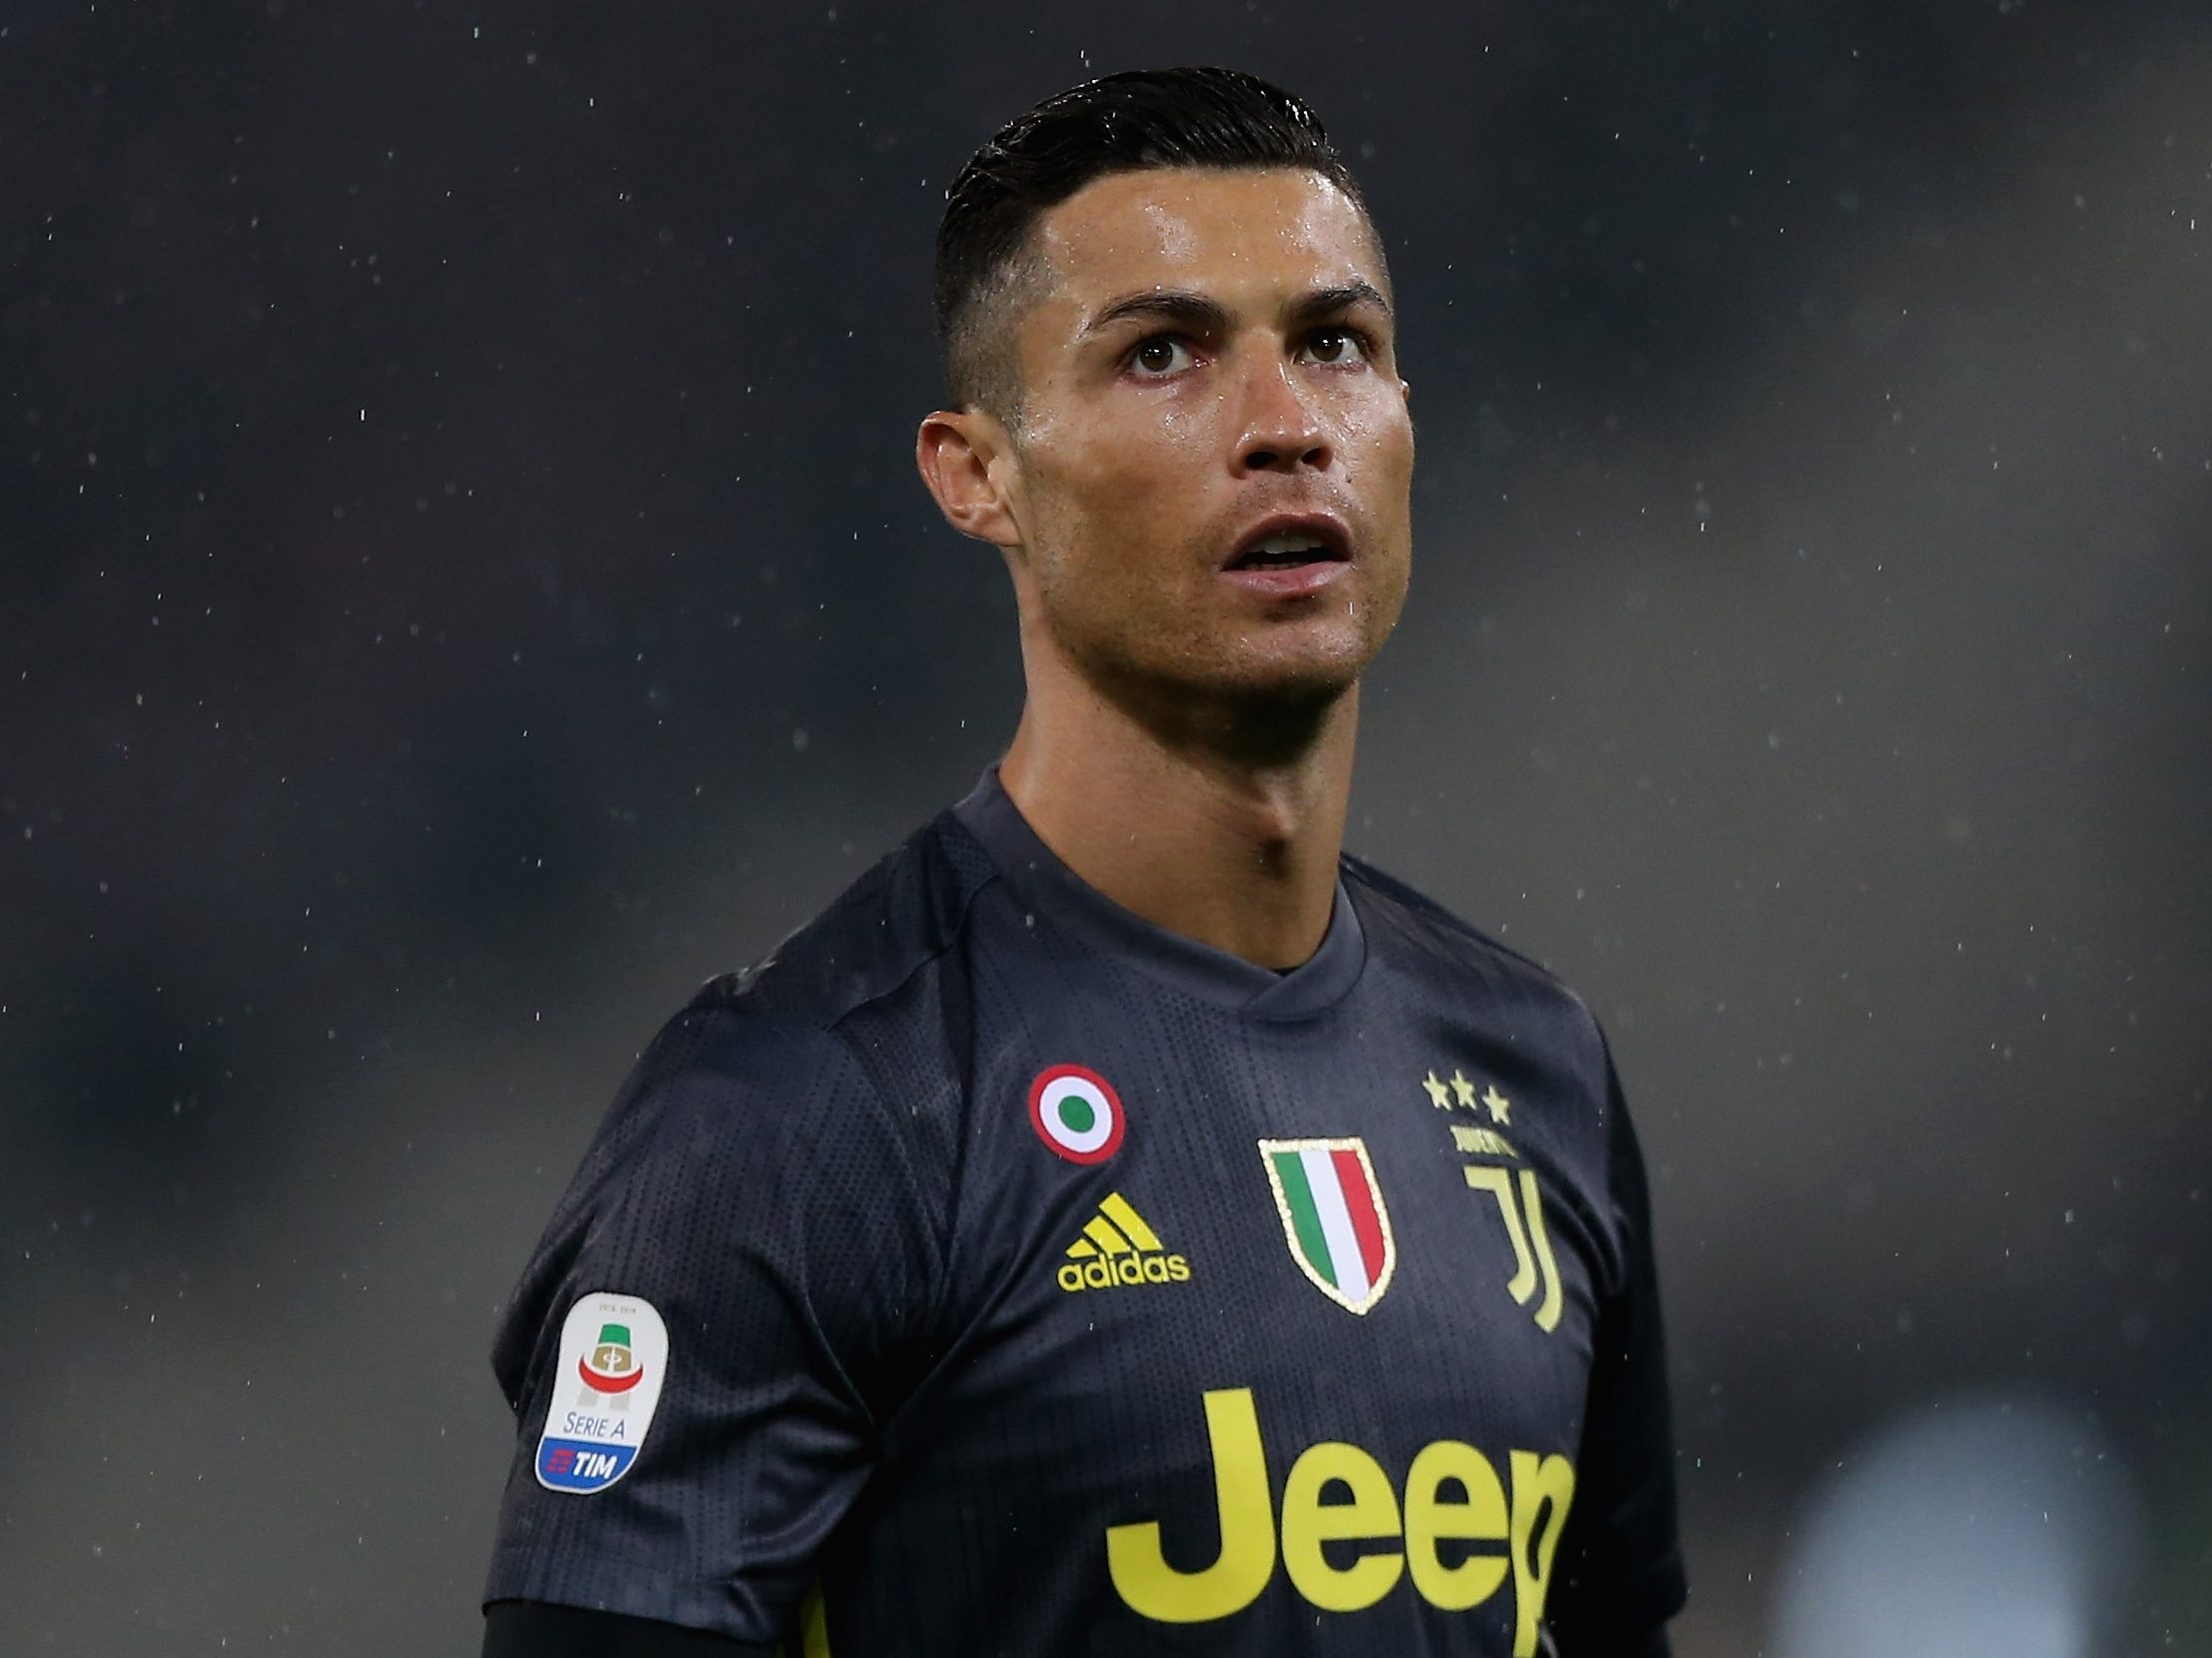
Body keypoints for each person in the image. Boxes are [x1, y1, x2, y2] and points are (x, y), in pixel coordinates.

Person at [481, 66, 1686, 1658]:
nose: (1285, 428)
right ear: (978, 473)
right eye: (1164, 354)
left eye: (1335, 343)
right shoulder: (799, 1115)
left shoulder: (1534, 1068)